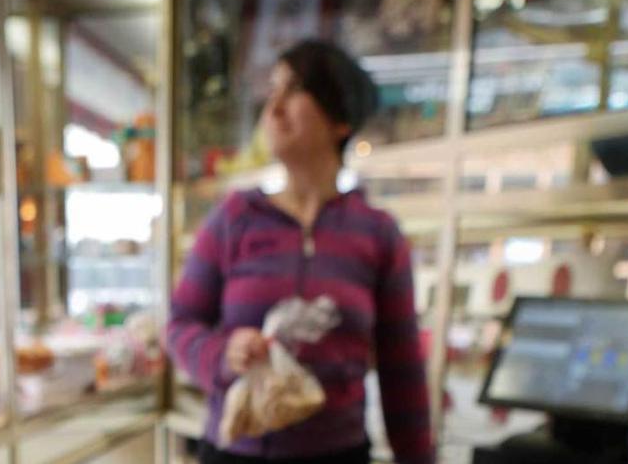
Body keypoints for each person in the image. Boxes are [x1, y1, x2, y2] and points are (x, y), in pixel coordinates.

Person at [167, 40, 434, 464]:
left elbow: (402, 371)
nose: (273, 109)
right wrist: (223, 356)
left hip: (337, 453)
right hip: (235, 451)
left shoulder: (378, 235)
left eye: (293, 91)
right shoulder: (235, 218)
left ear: (340, 119)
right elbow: (181, 323)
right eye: (271, 92)